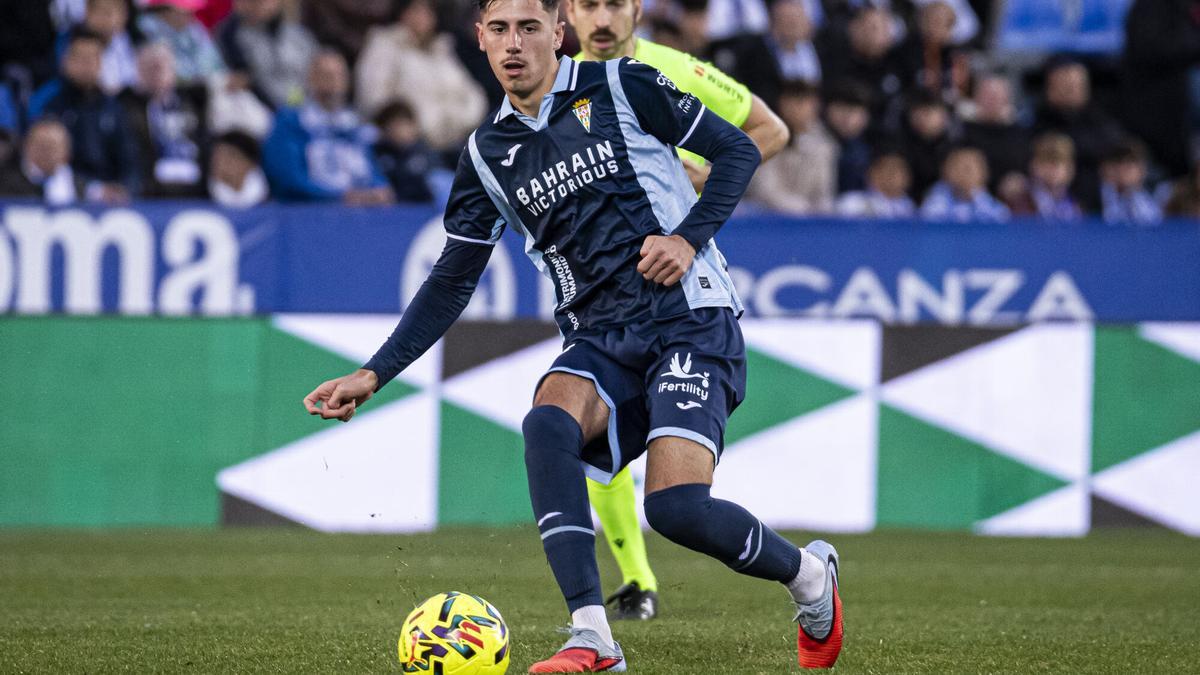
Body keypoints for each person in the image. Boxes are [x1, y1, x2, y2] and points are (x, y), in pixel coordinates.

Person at [302, 0, 843, 672]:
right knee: (547, 421)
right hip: (598, 335)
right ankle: (593, 635)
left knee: (675, 508)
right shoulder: (486, 154)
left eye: (529, 27)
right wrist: (374, 372)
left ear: (558, 34)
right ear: (478, 39)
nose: (514, 44)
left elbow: (736, 148)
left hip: (690, 317)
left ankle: (810, 576)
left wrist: (685, 238)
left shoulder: (624, 85)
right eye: (499, 29)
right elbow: (451, 281)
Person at [565, 0, 789, 620]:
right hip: (601, 285)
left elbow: (770, 130)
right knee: (587, 431)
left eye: (614, 3)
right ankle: (637, 580)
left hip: (679, 274)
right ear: (568, 14)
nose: (602, 17)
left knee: (669, 479)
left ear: (636, 9)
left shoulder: (676, 70)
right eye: (588, 4)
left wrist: (692, 176)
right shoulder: (558, 89)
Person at [261, 49, 393, 204]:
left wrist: (380, 189)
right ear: (311, 78)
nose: (334, 81)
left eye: (340, 75)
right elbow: (287, 177)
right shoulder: (290, 121)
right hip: (309, 213)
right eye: (326, 75)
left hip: (358, 211)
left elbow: (370, 169)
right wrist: (338, 197)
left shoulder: (355, 124)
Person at [356, 0, 489, 153]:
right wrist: (401, 125)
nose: (422, 17)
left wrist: (463, 122)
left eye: (427, 11)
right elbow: (374, 97)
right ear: (402, 13)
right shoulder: (384, 45)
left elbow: (474, 96)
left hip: (458, 142)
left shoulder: (442, 50)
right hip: (408, 148)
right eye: (416, 10)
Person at [29, 28, 138, 202]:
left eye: (92, 59)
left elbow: (128, 159)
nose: (86, 65)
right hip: (64, 194)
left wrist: (126, 189)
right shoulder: (48, 102)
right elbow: (38, 159)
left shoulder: (114, 107)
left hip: (110, 198)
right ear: (65, 61)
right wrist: (89, 189)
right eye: (80, 58)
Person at [118, 42, 208, 198]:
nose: (155, 74)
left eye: (160, 67)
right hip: (149, 189)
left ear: (173, 70)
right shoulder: (125, 107)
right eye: (149, 68)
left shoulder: (193, 103)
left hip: (194, 185)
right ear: (138, 71)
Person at [748, 80, 836, 214]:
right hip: (766, 214)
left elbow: (824, 193)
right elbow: (764, 190)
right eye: (795, 102)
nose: (799, 108)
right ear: (782, 103)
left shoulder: (825, 144)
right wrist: (802, 209)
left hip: (808, 218)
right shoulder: (767, 133)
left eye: (806, 102)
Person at [215, 0, 319, 110]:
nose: (260, 5)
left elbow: (316, 73)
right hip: (259, 112)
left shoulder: (299, 36)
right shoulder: (231, 40)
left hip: (305, 109)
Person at [0, 120, 87, 204]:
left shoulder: (79, 186)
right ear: (26, 147)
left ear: (66, 152)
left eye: (52, 147)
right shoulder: (4, 182)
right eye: (41, 146)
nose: (46, 153)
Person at [1002, 132, 1081, 222]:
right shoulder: (1018, 201)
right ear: (1033, 165)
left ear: (1071, 168)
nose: (1053, 170)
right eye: (1046, 162)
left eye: (1059, 163)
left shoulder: (1075, 205)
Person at [372, 100, 439, 204]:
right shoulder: (376, 153)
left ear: (414, 127)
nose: (399, 131)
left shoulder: (427, 154)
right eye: (393, 126)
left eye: (403, 125)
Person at [920, 145, 1009, 222]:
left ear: (984, 173)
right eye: (958, 168)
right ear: (946, 171)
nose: (964, 175)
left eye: (969, 169)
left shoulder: (997, 211)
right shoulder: (933, 205)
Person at [1098, 138, 1162, 226]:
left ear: (1142, 170)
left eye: (1129, 164)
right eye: (1117, 163)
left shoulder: (1150, 198)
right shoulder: (1092, 198)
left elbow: (1153, 221)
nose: (1122, 170)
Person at [835, 151, 915, 217]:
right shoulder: (852, 203)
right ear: (872, 173)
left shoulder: (908, 206)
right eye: (889, 170)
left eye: (900, 170)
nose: (894, 176)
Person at [208, 129, 268, 207]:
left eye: (230, 157)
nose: (220, 163)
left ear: (250, 163)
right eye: (217, 157)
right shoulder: (198, 197)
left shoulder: (274, 198)